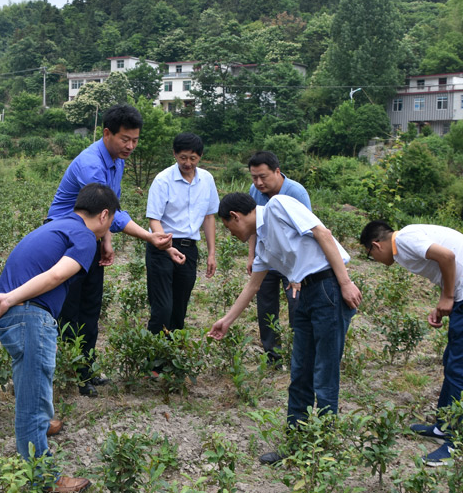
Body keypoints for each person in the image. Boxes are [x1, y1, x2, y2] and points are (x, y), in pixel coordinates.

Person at [209, 193, 361, 465]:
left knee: (324, 373)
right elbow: (253, 285)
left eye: (227, 226)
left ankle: (324, 451)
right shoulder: (263, 244)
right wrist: (226, 321)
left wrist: (345, 282)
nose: (229, 233)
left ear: (235, 216)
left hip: (328, 288)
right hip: (303, 295)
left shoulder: (278, 206)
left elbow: (322, 233)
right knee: (300, 372)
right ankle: (297, 445)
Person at [0, 184, 120, 493]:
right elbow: (57, 275)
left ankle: (41, 425)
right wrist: (11, 299)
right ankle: (43, 477)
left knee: (35, 378)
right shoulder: (85, 237)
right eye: (111, 221)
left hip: (16, 313)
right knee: (33, 394)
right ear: (104, 215)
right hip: (26, 312)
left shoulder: (59, 225)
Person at [48, 104, 177, 396]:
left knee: (91, 306)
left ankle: (86, 368)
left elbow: (110, 209)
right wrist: (148, 236)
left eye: (135, 140)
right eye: (125, 139)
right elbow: (106, 211)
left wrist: (105, 239)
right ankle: (72, 373)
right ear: (107, 133)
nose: (130, 146)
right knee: (70, 309)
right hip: (65, 238)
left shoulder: (117, 160)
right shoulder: (91, 164)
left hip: (89, 236)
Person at [359, 221, 463, 466]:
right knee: (452, 361)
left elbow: (447, 256)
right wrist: (445, 302)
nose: (375, 260)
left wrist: (447, 296)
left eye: (370, 255)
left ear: (376, 245)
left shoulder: (404, 239)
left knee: (460, 369)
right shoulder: (405, 241)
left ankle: (458, 442)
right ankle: (443, 427)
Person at [145, 132, 218, 336]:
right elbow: (154, 220)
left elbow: (209, 217)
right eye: (183, 157)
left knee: (180, 306)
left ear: (200, 156)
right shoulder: (163, 180)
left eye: (193, 158)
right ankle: (154, 351)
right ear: (174, 154)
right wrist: (167, 247)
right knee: (162, 307)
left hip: (189, 249)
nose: (188, 163)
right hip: (162, 246)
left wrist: (211, 253)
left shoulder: (207, 180)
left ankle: (172, 350)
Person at [245, 151, 312, 368]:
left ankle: (298, 356)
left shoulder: (296, 192)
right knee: (265, 307)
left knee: (296, 306)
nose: (258, 182)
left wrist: (299, 272)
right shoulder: (254, 191)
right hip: (266, 258)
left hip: (292, 262)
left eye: (263, 177)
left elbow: (307, 233)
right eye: (254, 177)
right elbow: (253, 226)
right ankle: (272, 358)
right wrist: (251, 256)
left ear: (277, 171)